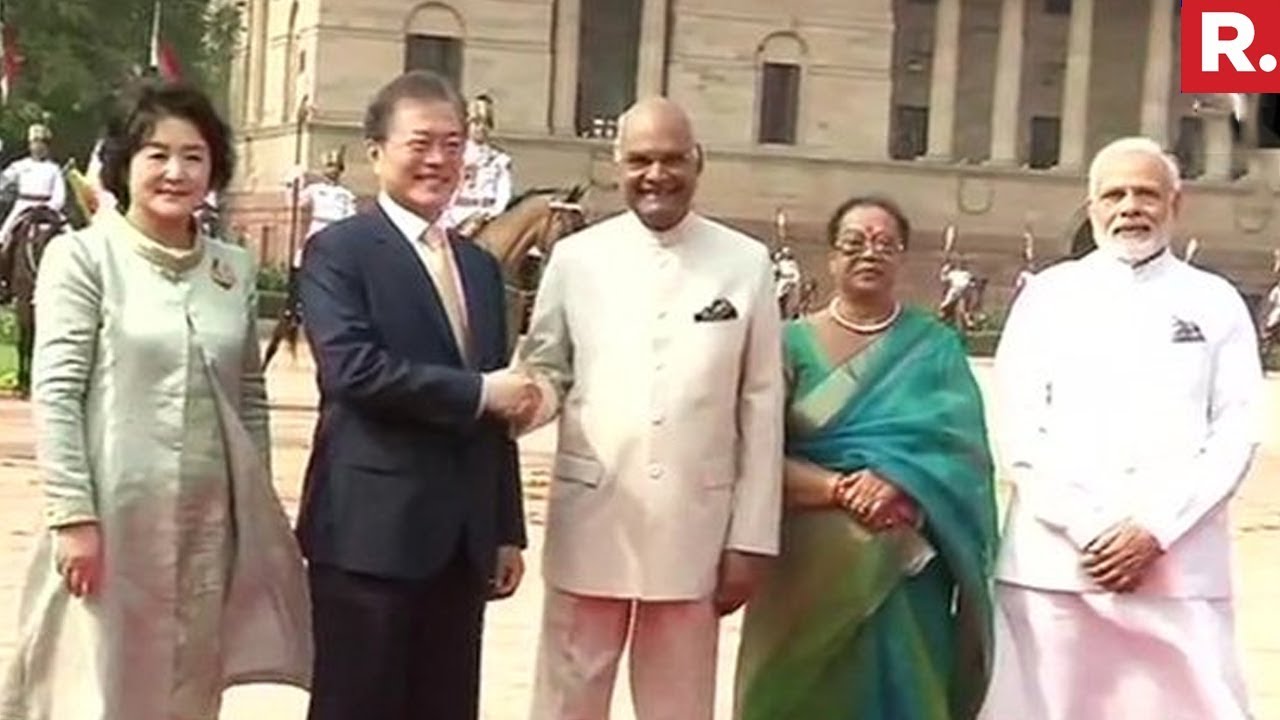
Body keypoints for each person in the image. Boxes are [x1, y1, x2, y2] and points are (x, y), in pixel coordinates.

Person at [0, 79, 311, 720]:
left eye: (193, 155)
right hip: (113, 521)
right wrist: (72, 517)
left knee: (189, 686)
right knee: (96, 687)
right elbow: (57, 394)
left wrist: (249, 508)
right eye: (157, 154)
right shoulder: (83, 257)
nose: (176, 171)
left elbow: (249, 396)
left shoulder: (231, 268)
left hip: (206, 526)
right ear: (123, 164)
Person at [514, 96, 785, 720]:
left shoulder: (744, 263)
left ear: (698, 162)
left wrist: (751, 537)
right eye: (640, 160)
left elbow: (762, 406)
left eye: (671, 159)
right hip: (593, 515)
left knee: (679, 704)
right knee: (566, 700)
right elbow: (549, 368)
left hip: (696, 527)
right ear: (617, 165)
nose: (656, 175)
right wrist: (526, 401)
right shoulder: (577, 259)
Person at [982, 136, 1262, 720]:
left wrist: (1155, 531)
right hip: (1056, 569)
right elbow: (1020, 430)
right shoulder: (1048, 297)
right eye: (1115, 194)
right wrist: (1090, 529)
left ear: (1174, 205)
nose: (1130, 206)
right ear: (1092, 208)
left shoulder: (1216, 302)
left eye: (1146, 193)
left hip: (1178, 568)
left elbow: (1235, 432)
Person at [295, 70, 530, 720]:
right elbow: (354, 372)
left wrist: (505, 529)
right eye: (421, 143)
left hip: (461, 542)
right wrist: (481, 393)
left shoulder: (480, 268)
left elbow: (498, 407)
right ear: (376, 152)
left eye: (454, 145)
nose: (438, 160)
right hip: (368, 535)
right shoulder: (337, 253)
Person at [733, 195, 998, 720]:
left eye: (884, 244)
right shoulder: (786, 344)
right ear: (830, 257)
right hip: (803, 573)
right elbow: (751, 456)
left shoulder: (934, 349)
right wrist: (839, 489)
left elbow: (964, 460)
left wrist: (902, 483)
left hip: (904, 568)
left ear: (902, 258)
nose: (869, 254)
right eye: (853, 243)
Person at [0, 123, 67, 299]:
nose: (38, 147)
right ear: (29, 145)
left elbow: (59, 195)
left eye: (42, 143)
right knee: (4, 237)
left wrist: (48, 208)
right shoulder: (20, 166)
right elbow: (3, 182)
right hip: (23, 207)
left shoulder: (54, 169)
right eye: (34, 142)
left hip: (47, 209)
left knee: (71, 236)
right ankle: (4, 281)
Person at [442, 93, 513, 235]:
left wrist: (492, 213)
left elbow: (504, 193)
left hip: (487, 216)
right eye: (476, 123)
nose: (481, 128)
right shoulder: (454, 156)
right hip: (456, 215)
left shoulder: (499, 160)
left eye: (485, 123)